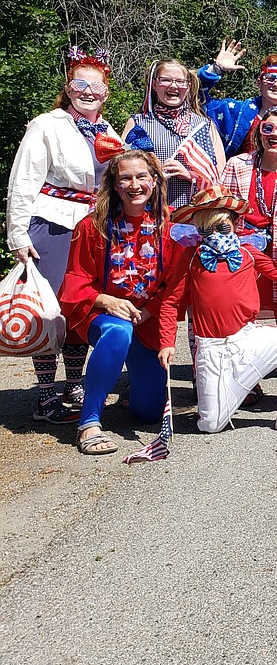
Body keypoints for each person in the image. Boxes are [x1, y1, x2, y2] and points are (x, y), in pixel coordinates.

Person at [157, 186, 277, 433]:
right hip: (212, 349)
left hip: (249, 338)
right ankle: (227, 395)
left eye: (221, 226)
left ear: (236, 223)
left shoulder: (248, 252)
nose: (214, 233)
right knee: (211, 425)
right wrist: (166, 342)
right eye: (205, 229)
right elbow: (170, 302)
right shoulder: (191, 257)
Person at [8, 47, 116, 424]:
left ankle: (74, 383)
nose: (87, 92)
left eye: (96, 86)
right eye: (79, 84)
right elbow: (24, 180)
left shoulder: (108, 130)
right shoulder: (47, 124)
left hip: (92, 227)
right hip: (52, 222)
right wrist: (18, 234)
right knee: (50, 308)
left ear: (106, 93)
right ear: (68, 88)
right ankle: (44, 394)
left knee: (80, 305)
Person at [56, 151, 174, 454]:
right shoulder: (93, 226)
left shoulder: (168, 227)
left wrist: (148, 311)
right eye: (125, 178)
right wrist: (105, 300)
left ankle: (129, 384)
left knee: (148, 412)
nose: (134, 185)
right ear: (114, 184)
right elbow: (74, 280)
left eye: (141, 176)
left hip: (146, 319)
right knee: (118, 331)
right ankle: (89, 422)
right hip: (100, 315)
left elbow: (176, 284)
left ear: (154, 181)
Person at [220, 109, 277, 330]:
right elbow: (222, 208)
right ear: (259, 133)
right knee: (242, 318)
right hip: (243, 251)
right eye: (267, 128)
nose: (274, 135)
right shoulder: (236, 164)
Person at [125, 58, 225, 207]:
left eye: (180, 81)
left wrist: (191, 176)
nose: (173, 86)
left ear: (188, 86)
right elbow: (122, 169)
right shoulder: (138, 122)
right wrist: (150, 169)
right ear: (154, 85)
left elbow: (220, 176)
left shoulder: (204, 125)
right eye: (165, 80)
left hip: (193, 215)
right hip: (147, 213)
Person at [199, 43, 277, 158]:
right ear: (259, 83)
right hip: (239, 174)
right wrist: (216, 68)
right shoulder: (235, 111)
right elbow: (197, 98)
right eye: (271, 79)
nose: (276, 84)